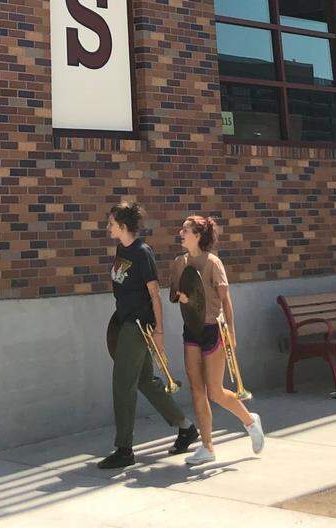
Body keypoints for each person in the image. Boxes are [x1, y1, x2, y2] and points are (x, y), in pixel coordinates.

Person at [98, 200, 198, 471]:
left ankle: (124, 449)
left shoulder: (142, 253)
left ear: (122, 226)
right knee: (145, 381)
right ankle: (186, 428)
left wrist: (160, 332)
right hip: (124, 321)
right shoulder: (121, 249)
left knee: (122, 383)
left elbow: (155, 294)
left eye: (111, 224)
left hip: (139, 325)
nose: (108, 227)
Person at [170, 214, 264, 465]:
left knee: (215, 391)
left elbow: (225, 301)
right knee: (196, 390)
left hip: (214, 330)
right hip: (191, 329)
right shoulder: (180, 262)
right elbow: (176, 292)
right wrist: (181, 296)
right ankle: (208, 446)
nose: (181, 233)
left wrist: (232, 333)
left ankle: (250, 421)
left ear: (198, 236)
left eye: (185, 230)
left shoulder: (213, 263)